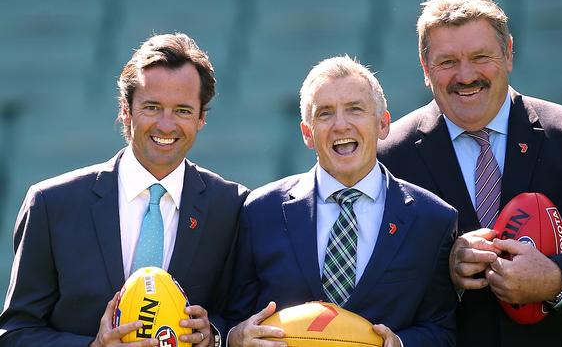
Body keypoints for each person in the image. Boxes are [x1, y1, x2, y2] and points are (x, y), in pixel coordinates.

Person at [377, 0, 562, 347]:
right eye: (447, 62)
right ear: (426, 68)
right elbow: (381, 281)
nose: (466, 75)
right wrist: (448, 273)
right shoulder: (391, 154)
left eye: (480, 57)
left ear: (508, 54)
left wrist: (554, 278)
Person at [0, 33, 248, 347]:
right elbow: (16, 333)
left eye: (183, 111)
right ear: (126, 111)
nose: (166, 125)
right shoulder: (51, 205)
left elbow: (240, 317)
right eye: (152, 107)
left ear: (201, 119)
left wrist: (212, 335)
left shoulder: (232, 206)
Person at [225, 55, 458, 347]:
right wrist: (236, 337)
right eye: (324, 113)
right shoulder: (260, 211)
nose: (340, 125)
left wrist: (399, 343)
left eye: (355, 110)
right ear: (307, 133)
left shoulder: (432, 219)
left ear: (383, 124)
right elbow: (231, 317)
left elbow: (443, 331)